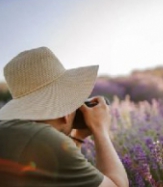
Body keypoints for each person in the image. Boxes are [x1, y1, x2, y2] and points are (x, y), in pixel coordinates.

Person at [0, 47, 129, 187]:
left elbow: (65, 175)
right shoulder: (42, 139)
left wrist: (78, 137)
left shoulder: (10, 131)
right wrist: (100, 129)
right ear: (65, 114)